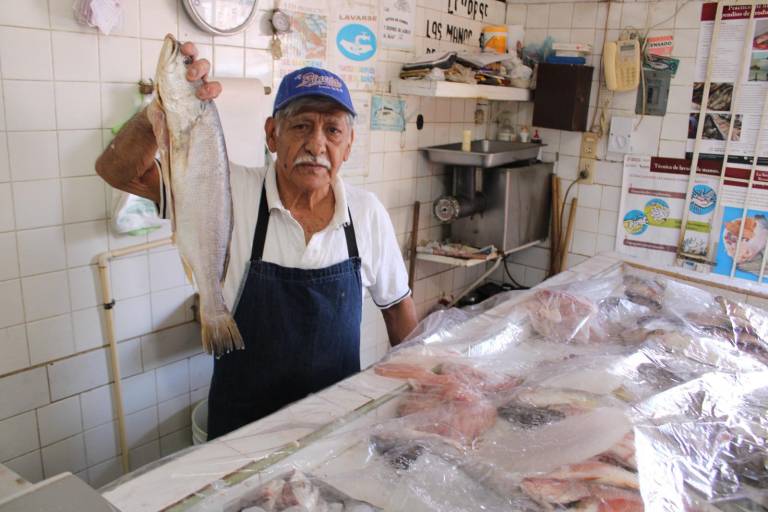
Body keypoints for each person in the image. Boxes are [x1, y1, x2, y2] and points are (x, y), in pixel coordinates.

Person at [95, 42, 417, 439]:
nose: (317, 144)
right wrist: (162, 110)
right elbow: (116, 170)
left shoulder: (367, 213)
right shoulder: (224, 188)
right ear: (272, 135)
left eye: (333, 130)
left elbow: (398, 307)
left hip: (334, 431)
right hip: (239, 435)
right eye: (301, 126)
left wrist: (413, 389)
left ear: (348, 145)